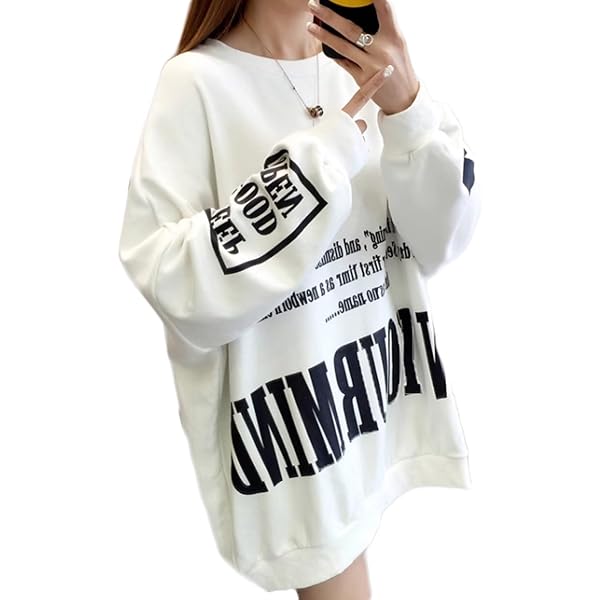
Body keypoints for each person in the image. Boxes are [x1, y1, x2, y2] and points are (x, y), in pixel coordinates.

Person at [117, 0, 482, 597]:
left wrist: (409, 107)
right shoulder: (197, 84)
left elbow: (441, 242)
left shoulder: (363, 66)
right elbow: (171, 279)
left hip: (377, 400)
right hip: (297, 438)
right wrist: (321, 161)